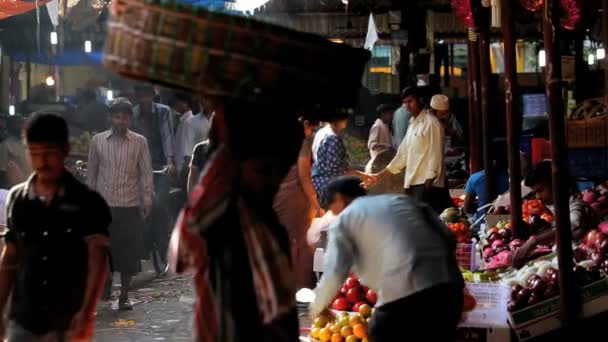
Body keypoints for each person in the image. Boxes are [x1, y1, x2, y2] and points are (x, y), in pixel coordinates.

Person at [0, 112, 111, 341]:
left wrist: (86, 311)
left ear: (65, 150)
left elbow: (97, 260)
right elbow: (10, 258)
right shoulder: (17, 199)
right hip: (23, 318)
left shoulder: (87, 202)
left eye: (49, 153)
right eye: (35, 153)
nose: (42, 162)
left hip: (66, 321)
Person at [310, 177, 464, 341]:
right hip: (449, 296)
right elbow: (448, 237)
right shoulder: (402, 200)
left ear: (340, 199)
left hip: (404, 298)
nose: (333, 214)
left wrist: (316, 307)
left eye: (332, 209)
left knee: (377, 334)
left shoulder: (344, 219)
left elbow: (335, 273)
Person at [87, 99, 154, 310]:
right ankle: (106, 283)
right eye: (117, 116)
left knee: (128, 255)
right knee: (104, 252)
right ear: (110, 118)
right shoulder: (97, 141)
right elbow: (92, 173)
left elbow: (145, 172)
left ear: (129, 119)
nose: (120, 121)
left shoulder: (139, 142)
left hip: (130, 205)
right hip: (103, 207)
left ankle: (124, 295)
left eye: (124, 117)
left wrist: (147, 198)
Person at [375, 86, 449, 213]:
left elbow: (435, 154)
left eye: (410, 101)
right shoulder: (413, 124)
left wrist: (429, 181)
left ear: (420, 100)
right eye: (404, 102)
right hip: (412, 182)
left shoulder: (432, 123)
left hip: (427, 183)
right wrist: (381, 175)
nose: (407, 105)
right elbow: (402, 155)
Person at [512, 161, 598, 268]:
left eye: (541, 190)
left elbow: (572, 224)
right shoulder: (559, 209)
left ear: (557, 184)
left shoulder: (577, 206)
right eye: (535, 192)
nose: (538, 196)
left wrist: (533, 241)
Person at [273, 115, 323, 289]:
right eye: (314, 129)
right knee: (300, 242)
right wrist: (316, 202)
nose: (314, 132)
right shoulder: (304, 141)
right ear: (307, 125)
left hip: (280, 193)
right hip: (295, 197)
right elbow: (304, 176)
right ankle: (300, 286)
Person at [311, 111, 374, 208]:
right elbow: (339, 170)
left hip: (317, 182)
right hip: (330, 188)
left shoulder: (321, 132)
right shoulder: (333, 138)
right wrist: (362, 176)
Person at [131, 84, 176, 174]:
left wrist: (169, 161)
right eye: (141, 96)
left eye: (147, 96)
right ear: (138, 97)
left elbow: (167, 136)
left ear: (152, 96)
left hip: (160, 160)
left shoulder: (163, 111)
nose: (144, 99)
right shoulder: (133, 113)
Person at [463, 140, 510, 219]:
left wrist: (481, 206)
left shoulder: (475, 178)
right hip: (508, 222)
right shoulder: (512, 178)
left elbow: (466, 208)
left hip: (481, 222)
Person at [169, 92, 200, 186]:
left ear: (185, 103)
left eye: (177, 102)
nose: (175, 105)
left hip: (184, 171)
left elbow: (187, 150)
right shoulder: (183, 122)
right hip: (180, 170)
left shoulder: (188, 122)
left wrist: (185, 170)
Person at [0, 116, 32, 188]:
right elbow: (2, 171)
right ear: (11, 127)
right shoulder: (5, 145)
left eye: (23, 123)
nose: (21, 126)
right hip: (17, 187)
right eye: (18, 123)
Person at [366, 104, 393, 173]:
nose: (391, 116)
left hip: (384, 162)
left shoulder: (385, 126)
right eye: (389, 114)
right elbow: (371, 145)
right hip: (378, 163)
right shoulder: (377, 126)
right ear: (383, 114)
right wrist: (385, 145)